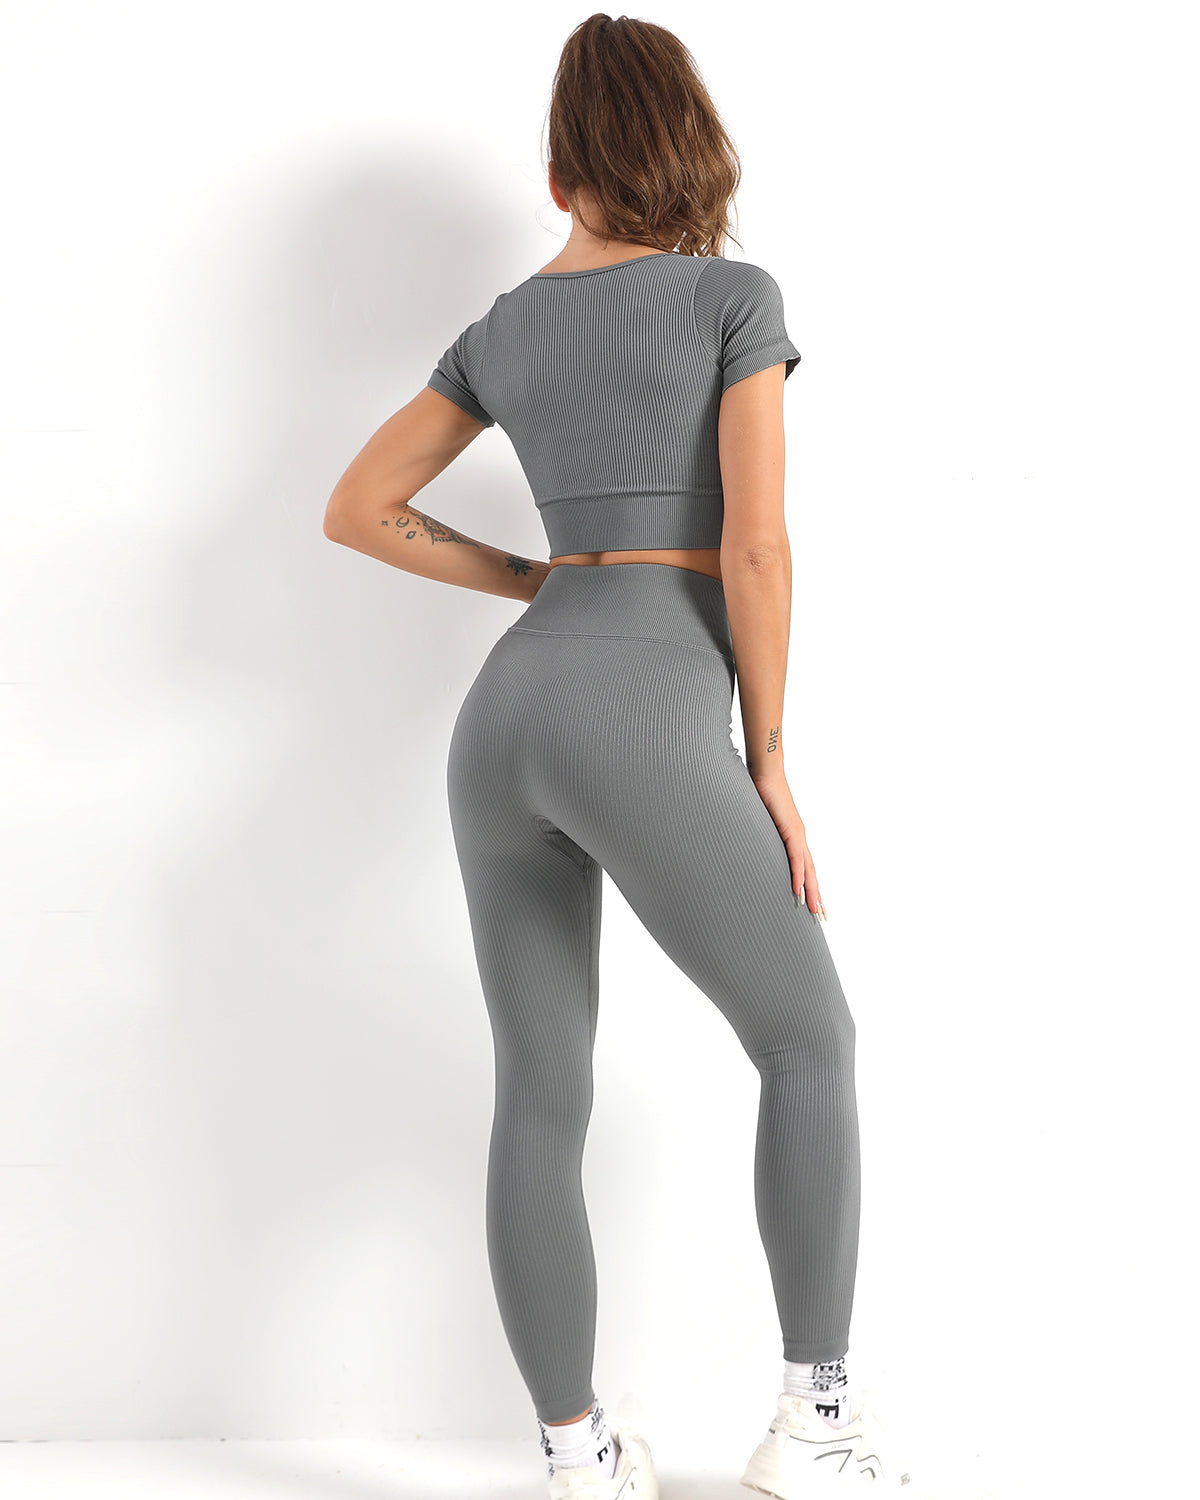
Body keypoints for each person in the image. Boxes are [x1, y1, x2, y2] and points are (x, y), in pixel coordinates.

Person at [324, 13, 913, 1498]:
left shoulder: (504, 328)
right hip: (645, 710)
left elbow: (360, 507)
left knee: (542, 1092)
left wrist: (541, 581)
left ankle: (576, 1453)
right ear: (694, 151)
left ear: (556, 174)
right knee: (809, 1046)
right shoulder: (731, 296)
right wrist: (768, 757)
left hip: (507, 720)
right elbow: (757, 548)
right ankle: (816, 1425)